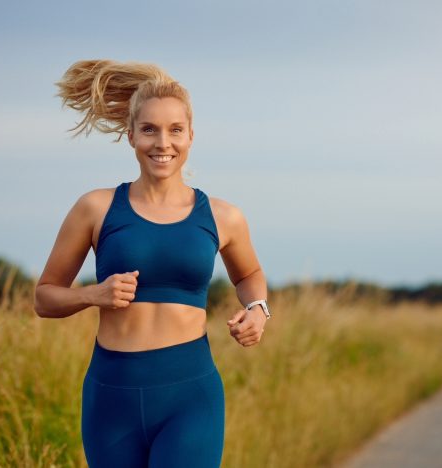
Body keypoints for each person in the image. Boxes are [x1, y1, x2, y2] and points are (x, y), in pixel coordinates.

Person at [33, 59, 271, 468]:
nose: (163, 143)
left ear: (191, 136)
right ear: (130, 136)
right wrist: (94, 294)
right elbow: (44, 297)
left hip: (190, 396)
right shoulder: (95, 208)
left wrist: (258, 309)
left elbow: (249, 274)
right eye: (150, 129)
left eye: (175, 130)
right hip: (111, 397)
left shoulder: (222, 216)